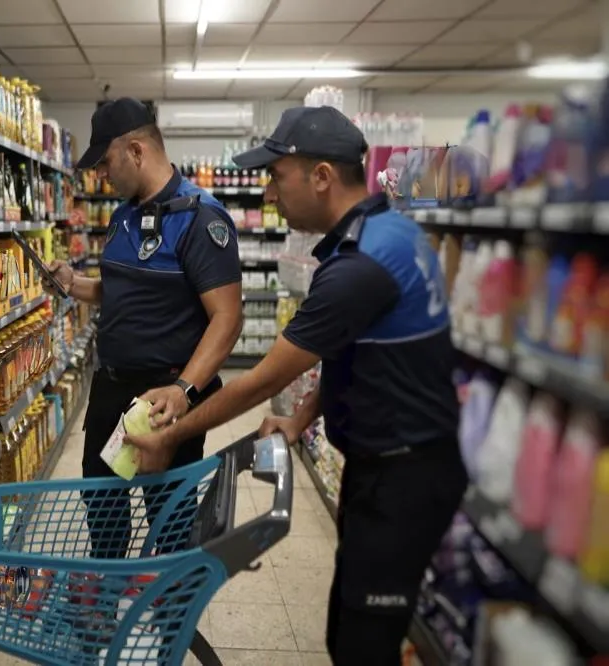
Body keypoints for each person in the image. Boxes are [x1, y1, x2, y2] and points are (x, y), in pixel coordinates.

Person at [126, 106, 468, 666]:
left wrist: (173, 433)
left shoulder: (360, 263)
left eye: (276, 176)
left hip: (403, 477)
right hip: (394, 463)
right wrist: (302, 417)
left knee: (362, 642)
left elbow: (265, 377)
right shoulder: (390, 230)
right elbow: (352, 349)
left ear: (322, 177)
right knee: (353, 623)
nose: (267, 194)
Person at [47, 97, 243, 560]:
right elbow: (118, 290)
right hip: (110, 389)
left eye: (106, 162)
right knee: (103, 504)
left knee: (168, 513)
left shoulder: (200, 218)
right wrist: (76, 284)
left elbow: (228, 318)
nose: (101, 175)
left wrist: (182, 390)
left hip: (165, 398)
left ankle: (170, 612)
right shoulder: (122, 216)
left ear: (136, 151)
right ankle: (106, 601)